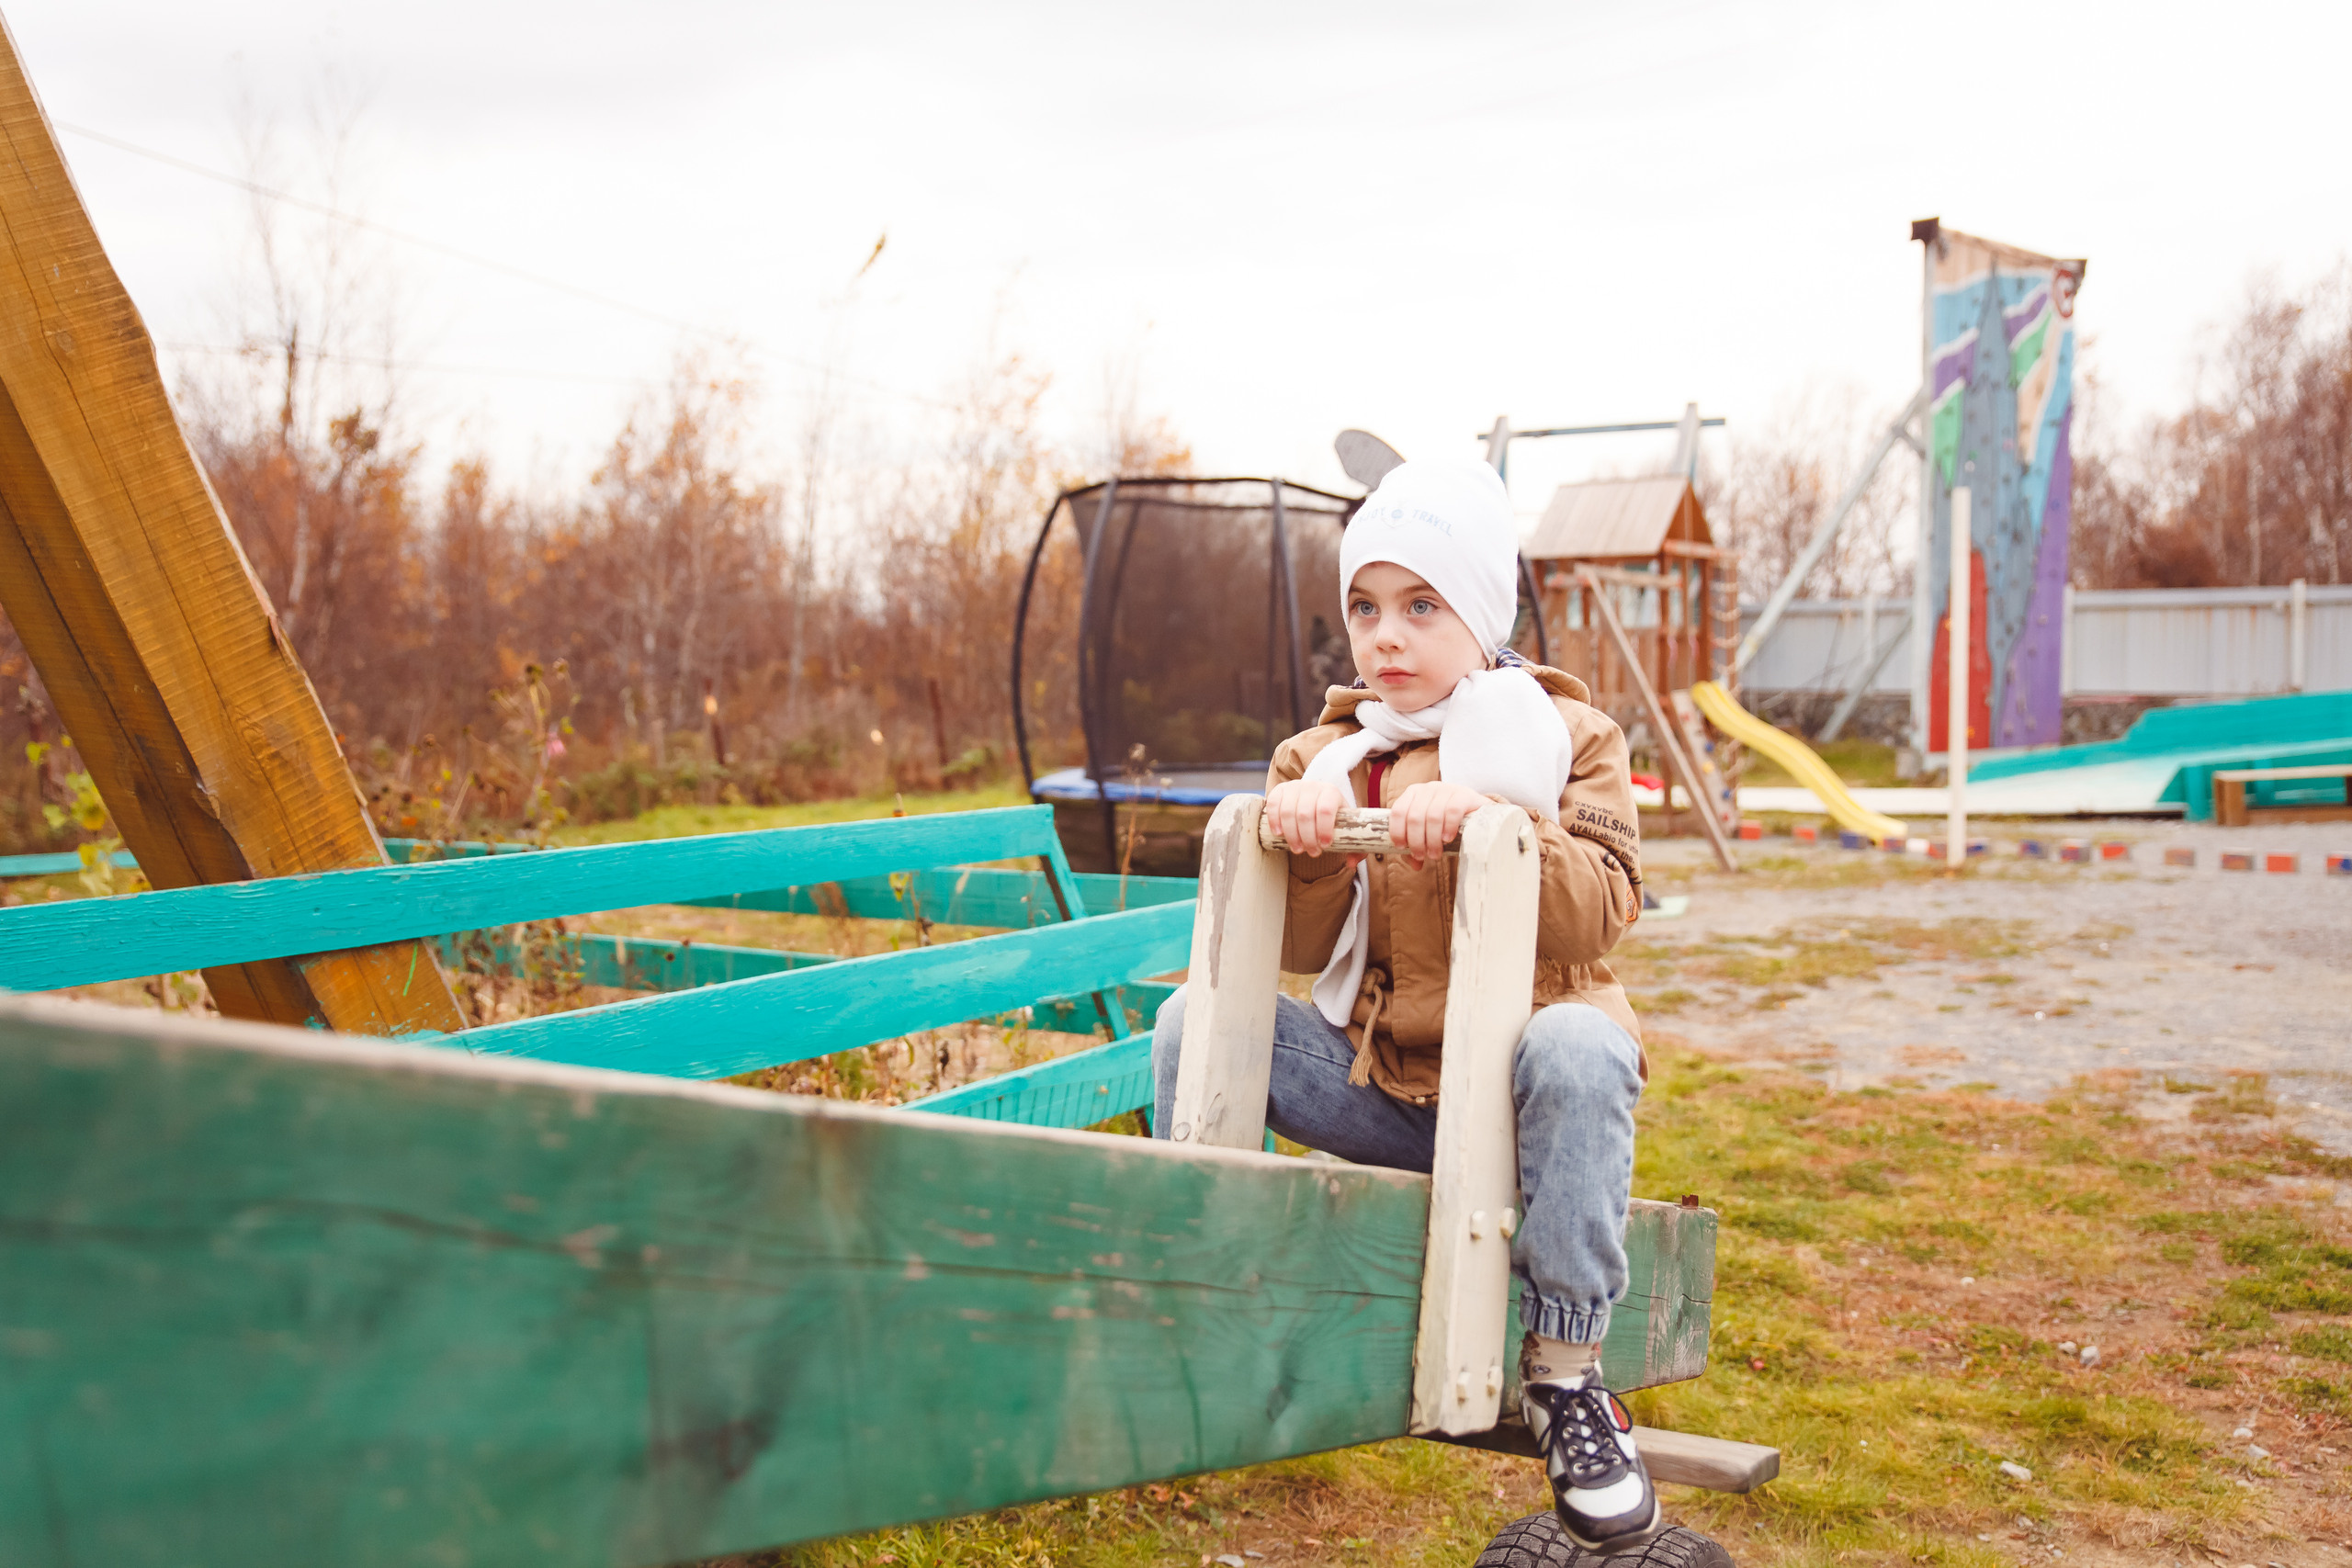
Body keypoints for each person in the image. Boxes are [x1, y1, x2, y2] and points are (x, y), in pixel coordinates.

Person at [1149, 457, 1655, 1554]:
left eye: (1423, 607)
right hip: (1384, 1094)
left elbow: (1598, 914)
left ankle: (1567, 1375)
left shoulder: (1565, 737)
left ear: (1479, 613)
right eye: (1366, 609)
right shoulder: (1324, 757)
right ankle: (1193, 1292)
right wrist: (1307, 840)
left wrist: (1500, 825)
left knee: (1579, 1040)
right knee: (1194, 1023)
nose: (1389, 636)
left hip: (1525, 1117)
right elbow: (1278, 949)